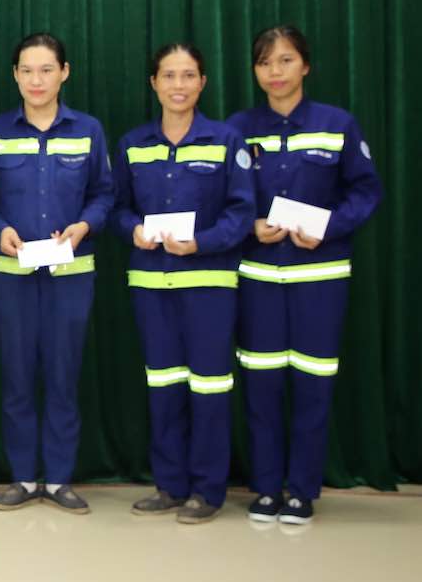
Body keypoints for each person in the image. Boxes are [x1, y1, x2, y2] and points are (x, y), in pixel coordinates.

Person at [228, 26, 381, 525]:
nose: (275, 72)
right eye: (265, 63)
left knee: (314, 384)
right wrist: (250, 226)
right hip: (258, 277)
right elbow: (225, 199)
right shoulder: (239, 129)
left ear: (306, 65)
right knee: (262, 385)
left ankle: (302, 490)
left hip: (321, 277)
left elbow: (366, 191)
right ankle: (267, 487)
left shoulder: (338, 124)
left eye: (286, 60)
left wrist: (330, 226)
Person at [0, 33, 114, 514]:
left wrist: (84, 225)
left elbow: (104, 193)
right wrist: (0, 230)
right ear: (15, 75)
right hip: (10, 272)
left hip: (71, 273)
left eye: (47, 69)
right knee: (16, 374)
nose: (37, 80)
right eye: (27, 70)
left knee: (62, 374)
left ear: (64, 73)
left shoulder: (88, 129)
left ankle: (58, 479)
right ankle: (24, 477)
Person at [113, 42, 255, 524]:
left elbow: (241, 211)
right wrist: (132, 229)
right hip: (150, 283)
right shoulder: (133, 144)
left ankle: (208, 490)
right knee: (164, 384)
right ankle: (169, 485)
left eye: (188, 75)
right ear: (154, 82)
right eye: (169, 76)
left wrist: (202, 243)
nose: (179, 85)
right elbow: (118, 207)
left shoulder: (226, 140)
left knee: (210, 386)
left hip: (209, 282)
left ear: (203, 82)